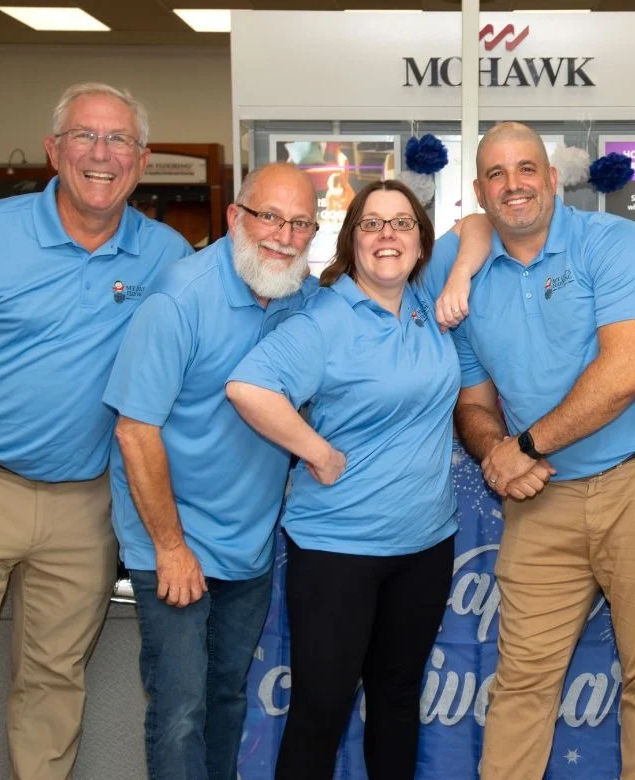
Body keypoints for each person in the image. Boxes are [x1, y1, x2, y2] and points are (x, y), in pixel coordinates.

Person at [0, 83, 191, 779]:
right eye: (85, 136)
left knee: (54, 686)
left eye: (119, 141)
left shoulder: (167, 255)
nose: (102, 154)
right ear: (54, 150)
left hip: (85, 505)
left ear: (141, 161)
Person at [426, 121, 635, 779]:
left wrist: (521, 445)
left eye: (526, 169)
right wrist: (496, 450)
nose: (513, 185)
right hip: (542, 495)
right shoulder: (466, 275)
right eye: (496, 175)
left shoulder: (616, 243)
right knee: (521, 679)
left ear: (554, 178)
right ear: (479, 192)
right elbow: (473, 402)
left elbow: (626, 373)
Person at [225, 179, 459, 780]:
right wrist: (318, 452)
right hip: (338, 553)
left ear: (421, 241)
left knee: (397, 702)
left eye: (402, 223)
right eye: (372, 223)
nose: (388, 235)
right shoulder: (326, 319)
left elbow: (480, 226)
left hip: (425, 548)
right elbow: (248, 387)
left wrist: (457, 280)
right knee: (321, 712)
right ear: (351, 240)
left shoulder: (425, 301)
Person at [103, 162, 319, 779]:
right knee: (180, 710)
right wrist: (170, 548)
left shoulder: (298, 295)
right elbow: (134, 430)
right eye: (269, 216)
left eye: (300, 222)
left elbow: (392, 276)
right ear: (234, 217)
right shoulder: (179, 298)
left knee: (226, 698)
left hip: (245, 548)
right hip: (173, 543)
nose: (283, 235)